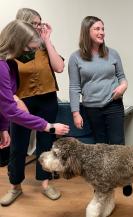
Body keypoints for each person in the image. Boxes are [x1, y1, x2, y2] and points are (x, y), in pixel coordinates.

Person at [0, 20, 69, 206]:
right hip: (20, 105)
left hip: (44, 103)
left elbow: (5, 105)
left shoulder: (12, 63)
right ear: (18, 41)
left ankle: (46, 183)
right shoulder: (4, 64)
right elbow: (9, 105)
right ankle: (15, 185)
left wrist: (2, 127)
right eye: (28, 49)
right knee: (18, 147)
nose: (30, 54)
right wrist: (49, 126)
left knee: (45, 143)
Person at [68, 16, 132, 196]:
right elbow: (74, 87)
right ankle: (103, 183)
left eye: (102, 28)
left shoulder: (113, 53)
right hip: (91, 108)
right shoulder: (75, 58)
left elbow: (122, 77)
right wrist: (75, 112)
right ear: (87, 32)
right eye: (97, 29)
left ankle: (125, 178)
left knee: (118, 145)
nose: (101, 32)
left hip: (113, 105)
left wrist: (123, 86)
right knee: (100, 148)